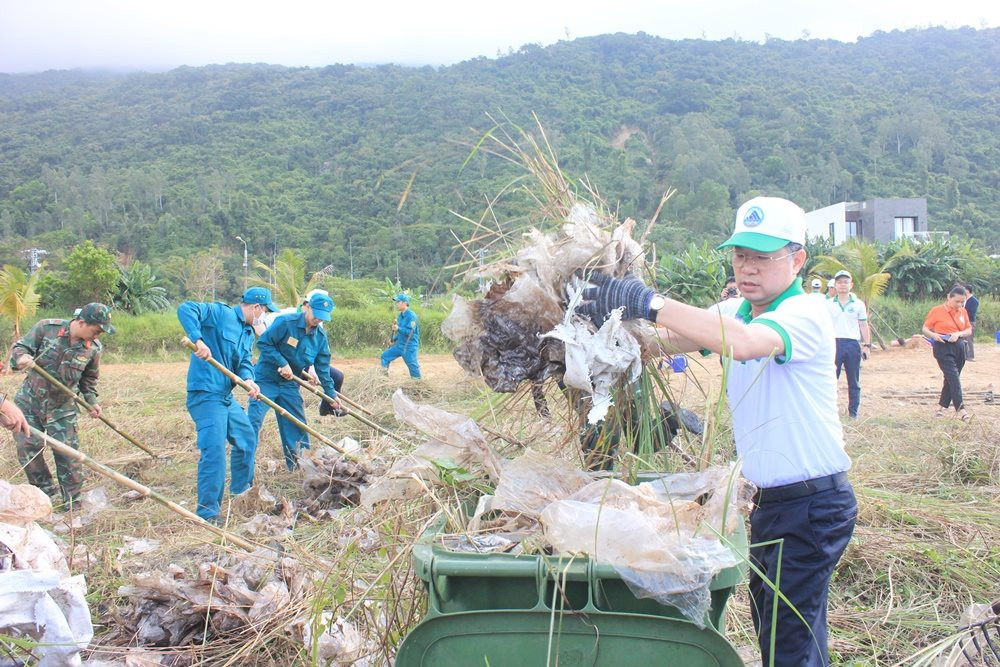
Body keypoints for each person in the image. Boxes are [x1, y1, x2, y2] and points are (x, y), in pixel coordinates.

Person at [579, 196, 855, 666]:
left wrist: (648, 300)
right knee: (786, 631)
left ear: (797, 258)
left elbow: (747, 346)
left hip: (811, 505)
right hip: (770, 503)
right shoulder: (734, 313)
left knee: (787, 642)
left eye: (762, 257)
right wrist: (597, 329)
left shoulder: (805, 314)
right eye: (740, 255)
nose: (748, 268)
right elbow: (659, 343)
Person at [177, 287, 276, 523]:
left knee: (246, 437)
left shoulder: (247, 333)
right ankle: (208, 513)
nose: (262, 317)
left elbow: (243, 361)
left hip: (225, 396)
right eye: (263, 312)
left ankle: (241, 492)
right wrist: (198, 339)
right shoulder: (220, 314)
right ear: (256, 307)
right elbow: (186, 308)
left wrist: (249, 379)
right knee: (215, 452)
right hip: (205, 395)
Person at [8, 303, 115, 509]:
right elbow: (20, 348)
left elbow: (89, 381)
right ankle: (44, 496)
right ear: (82, 322)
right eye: (96, 331)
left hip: (62, 408)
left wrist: (91, 402)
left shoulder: (93, 349)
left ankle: (72, 503)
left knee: (68, 454)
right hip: (30, 403)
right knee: (28, 448)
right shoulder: (46, 328)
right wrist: (22, 358)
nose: (98, 336)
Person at [248, 291, 343, 470]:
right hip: (265, 379)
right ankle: (246, 466)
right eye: (316, 315)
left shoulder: (320, 338)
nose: (318, 320)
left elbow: (323, 368)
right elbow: (264, 343)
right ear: (307, 307)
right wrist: (282, 362)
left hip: (290, 384)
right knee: (253, 420)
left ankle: (300, 468)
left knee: (296, 424)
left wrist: (331, 394)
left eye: (322, 318)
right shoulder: (286, 322)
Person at [922, 286, 972, 421]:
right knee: (953, 377)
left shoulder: (962, 312)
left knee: (951, 379)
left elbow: (969, 330)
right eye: (957, 301)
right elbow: (925, 328)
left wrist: (958, 334)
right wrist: (934, 335)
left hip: (959, 346)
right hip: (943, 346)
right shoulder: (937, 311)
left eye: (962, 302)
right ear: (949, 297)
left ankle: (940, 407)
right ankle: (961, 410)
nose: (960, 305)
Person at [827, 270, 871, 419]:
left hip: (852, 344)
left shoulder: (858, 305)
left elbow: (863, 325)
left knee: (854, 380)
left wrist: (867, 345)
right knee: (831, 380)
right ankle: (829, 412)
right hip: (834, 344)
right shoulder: (828, 304)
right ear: (835, 285)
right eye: (839, 282)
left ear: (851, 285)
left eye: (845, 282)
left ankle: (853, 413)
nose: (842, 285)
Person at [380, 293, 421, 379]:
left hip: (409, 346)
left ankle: (418, 385)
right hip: (400, 345)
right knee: (385, 357)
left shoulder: (412, 316)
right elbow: (400, 333)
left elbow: (410, 333)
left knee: (413, 367)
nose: (396, 304)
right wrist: (393, 340)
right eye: (396, 302)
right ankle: (383, 379)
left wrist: (398, 328)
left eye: (398, 302)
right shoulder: (400, 316)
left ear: (405, 303)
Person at [962, 284, 978, 361]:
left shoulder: (974, 301)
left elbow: (972, 313)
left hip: (970, 321)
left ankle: (970, 356)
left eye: (964, 289)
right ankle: (965, 355)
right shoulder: (965, 300)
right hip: (963, 321)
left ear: (967, 290)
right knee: (963, 338)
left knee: (969, 338)